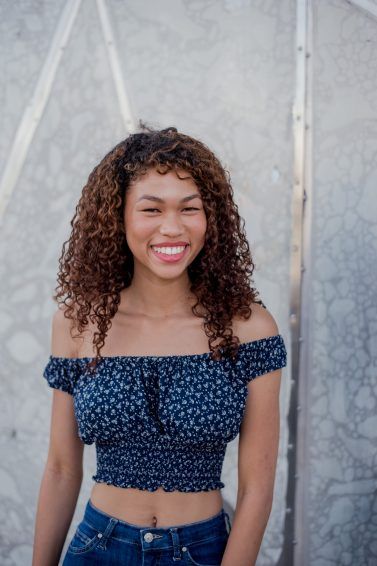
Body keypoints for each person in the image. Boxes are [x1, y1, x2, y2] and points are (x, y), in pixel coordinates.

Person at [32, 124, 287, 565]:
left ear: (211, 218)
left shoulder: (249, 328)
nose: (172, 228)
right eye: (151, 209)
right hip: (98, 546)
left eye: (189, 208)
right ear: (119, 218)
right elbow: (60, 469)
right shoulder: (78, 325)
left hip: (203, 550)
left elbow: (257, 487)